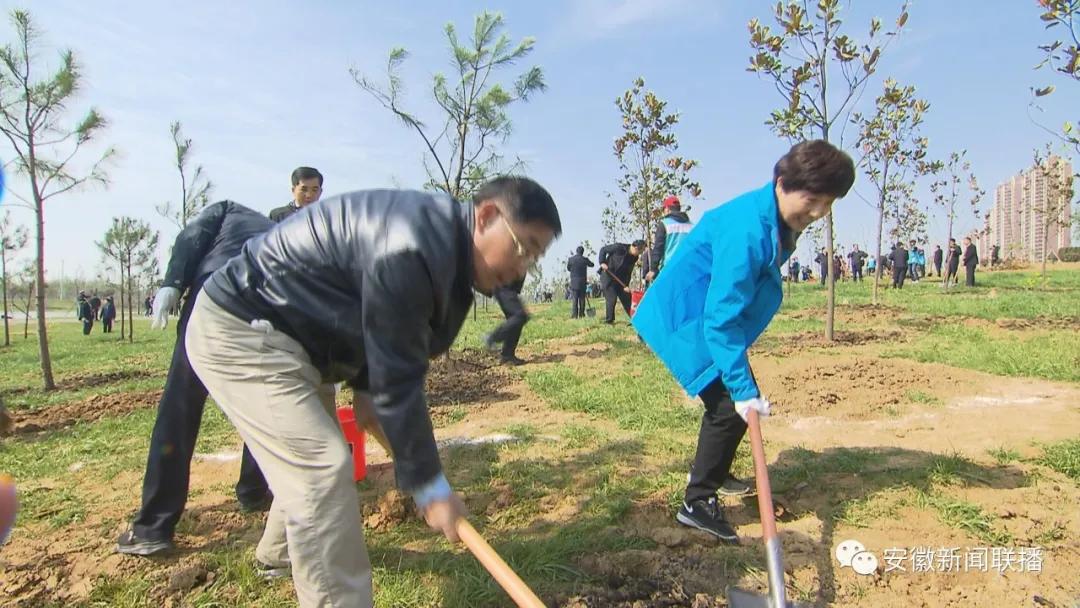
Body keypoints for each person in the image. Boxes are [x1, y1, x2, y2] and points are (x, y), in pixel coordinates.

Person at [184, 177, 560, 607]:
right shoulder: (413, 248)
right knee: (319, 466)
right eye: (523, 246)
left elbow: (388, 336)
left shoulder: (447, 255)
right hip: (245, 329)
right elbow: (397, 382)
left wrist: (366, 391)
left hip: (304, 339)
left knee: (312, 460)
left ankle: (277, 552)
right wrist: (430, 486)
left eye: (536, 256)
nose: (524, 266)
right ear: (487, 216)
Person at [633, 140, 855, 542]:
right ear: (782, 183)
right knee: (728, 406)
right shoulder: (748, 230)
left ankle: (716, 472)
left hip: (702, 315)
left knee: (736, 403)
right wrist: (742, 388)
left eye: (828, 203)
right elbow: (720, 321)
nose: (819, 212)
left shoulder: (774, 219)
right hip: (687, 320)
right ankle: (697, 502)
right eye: (812, 199)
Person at [116, 201, 274, 557]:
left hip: (217, 294)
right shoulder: (278, 230)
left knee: (181, 406)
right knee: (262, 404)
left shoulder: (224, 209)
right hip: (271, 302)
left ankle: (153, 528)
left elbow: (193, 236)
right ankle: (253, 491)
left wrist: (173, 280)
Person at [644, 195, 693, 284]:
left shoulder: (665, 224)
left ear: (667, 209)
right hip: (688, 268)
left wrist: (653, 269)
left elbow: (658, 248)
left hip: (670, 269)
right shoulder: (691, 225)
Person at [485, 277, 529, 365]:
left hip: (507, 289)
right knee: (520, 315)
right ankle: (492, 337)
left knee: (515, 321)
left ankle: (507, 355)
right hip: (503, 287)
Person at [598, 240, 644, 324]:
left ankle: (635, 319)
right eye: (640, 251)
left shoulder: (634, 257)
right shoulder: (619, 247)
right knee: (612, 298)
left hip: (620, 280)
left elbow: (628, 272)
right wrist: (602, 262)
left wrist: (626, 285)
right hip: (608, 275)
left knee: (627, 298)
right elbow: (603, 250)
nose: (640, 254)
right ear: (636, 248)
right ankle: (609, 320)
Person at [566, 246, 594, 318]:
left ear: (576, 251)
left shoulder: (571, 259)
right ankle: (582, 314)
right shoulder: (585, 259)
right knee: (582, 299)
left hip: (574, 282)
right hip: (582, 282)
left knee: (575, 299)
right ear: (582, 252)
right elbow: (592, 265)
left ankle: (574, 315)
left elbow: (568, 268)